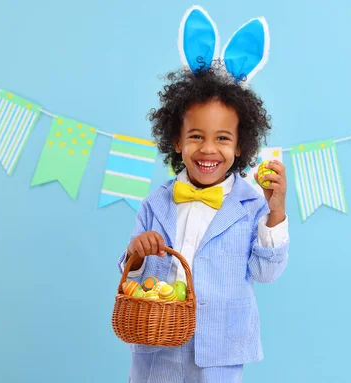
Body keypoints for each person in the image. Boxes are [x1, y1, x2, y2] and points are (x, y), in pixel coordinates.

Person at [116, 7, 290, 378]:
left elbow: (265, 272)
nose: (208, 149)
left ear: (241, 145)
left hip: (221, 351)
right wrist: (137, 252)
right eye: (196, 136)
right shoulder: (155, 203)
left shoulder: (251, 205)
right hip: (156, 345)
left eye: (222, 138)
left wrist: (275, 213)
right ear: (176, 141)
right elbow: (129, 272)